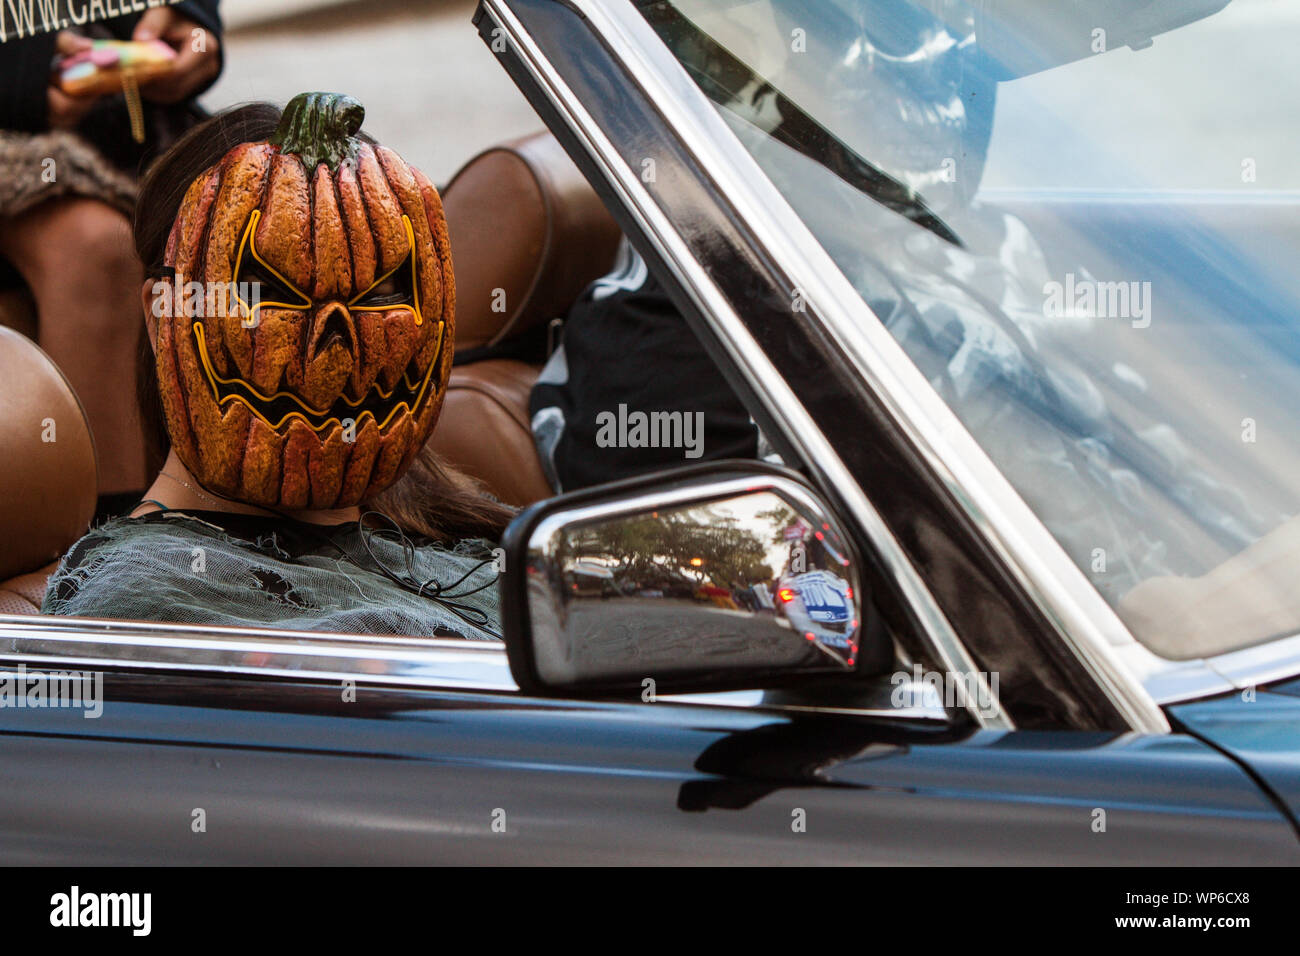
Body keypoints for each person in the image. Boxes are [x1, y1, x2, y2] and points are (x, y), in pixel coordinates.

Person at [43, 95, 515, 639]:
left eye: (381, 293)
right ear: (164, 315)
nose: (335, 346)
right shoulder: (147, 601)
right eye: (270, 294)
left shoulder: (450, 526)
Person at [0, 4, 224, 515]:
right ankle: (105, 553)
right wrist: (19, 71)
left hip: (134, 122)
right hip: (22, 145)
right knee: (97, 249)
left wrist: (189, 21)